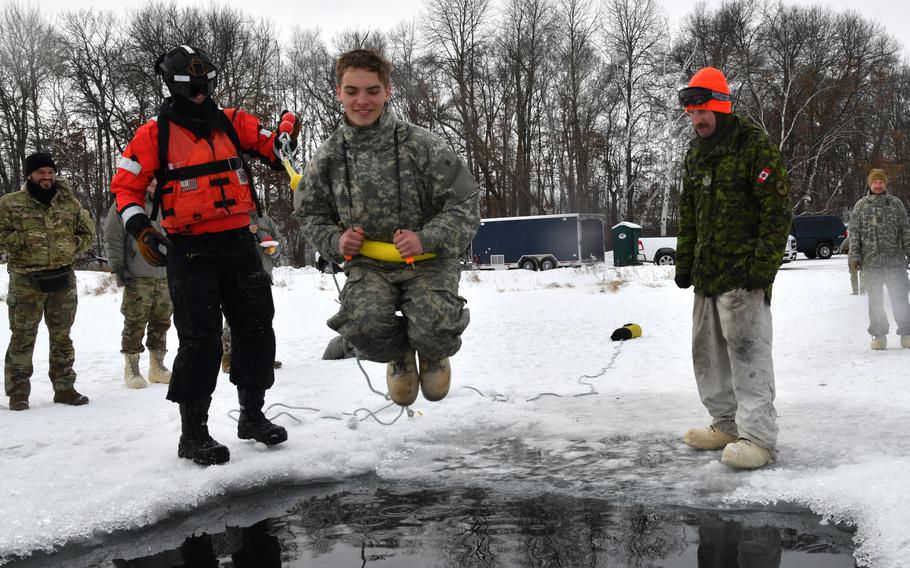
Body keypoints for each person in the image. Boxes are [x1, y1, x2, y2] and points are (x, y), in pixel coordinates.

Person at [110, 45, 298, 465]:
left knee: (256, 329)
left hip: (238, 241)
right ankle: (193, 434)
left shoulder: (233, 122)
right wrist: (141, 228)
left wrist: (286, 131)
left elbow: (273, 149)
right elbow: (125, 189)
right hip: (189, 249)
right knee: (200, 339)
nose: (199, 95)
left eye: (204, 87)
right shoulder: (151, 135)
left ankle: (252, 415)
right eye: (190, 88)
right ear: (173, 87)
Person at [295, 48, 480, 406]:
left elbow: (466, 203)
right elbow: (308, 213)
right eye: (352, 91)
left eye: (372, 90)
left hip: (428, 261)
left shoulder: (423, 145)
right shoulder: (327, 157)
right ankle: (400, 356)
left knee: (435, 325)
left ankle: (432, 351)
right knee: (362, 325)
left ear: (387, 90)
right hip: (370, 265)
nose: (362, 101)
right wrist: (335, 240)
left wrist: (426, 237)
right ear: (339, 93)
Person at [674, 67, 792, 469]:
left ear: (721, 107)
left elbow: (777, 211)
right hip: (707, 278)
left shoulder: (753, 148)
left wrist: (762, 270)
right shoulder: (694, 155)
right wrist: (685, 261)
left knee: (748, 356)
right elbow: (688, 213)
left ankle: (758, 439)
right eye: (691, 113)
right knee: (706, 355)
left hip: (743, 279)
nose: (697, 120)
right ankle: (724, 424)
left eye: (702, 111)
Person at [0, 152, 95, 410]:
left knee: (62, 336)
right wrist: (22, 242)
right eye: (41, 172)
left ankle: (64, 387)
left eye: (51, 172)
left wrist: (71, 246)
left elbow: (88, 232)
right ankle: (18, 392)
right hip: (26, 281)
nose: (47, 177)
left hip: (62, 279)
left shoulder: (69, 203)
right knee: (22, 337)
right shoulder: (10, 203)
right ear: (30, 175)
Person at [104, 179, 173, 389]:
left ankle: (157, 366)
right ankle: (132, 368)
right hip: (137, 275)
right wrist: (118, 267)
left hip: (165, 274)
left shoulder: (169, 202)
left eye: (156, 177)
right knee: (135, 321)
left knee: (162, 321)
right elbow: (113, 238)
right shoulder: (125, 205)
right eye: (149, 178)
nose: (153, 182)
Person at [847, 168, 910, 350]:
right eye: (875, 182)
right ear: (870, 184)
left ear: (885, 184)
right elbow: (854, 234)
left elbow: (906, 231)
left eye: (881, 182)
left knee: (900, 298)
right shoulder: (861, 206)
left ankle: (906, 333)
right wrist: (855, 256)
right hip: (871, 264)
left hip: (895, 263)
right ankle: (879, 335)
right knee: (875, 301)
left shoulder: (896, 204)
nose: (878, 185)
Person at [222, 210, 283, 372]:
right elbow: (225, 244)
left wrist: (273, 249)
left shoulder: (267, 219)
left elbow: (279, 242)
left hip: (263, 275)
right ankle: (229, 357)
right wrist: (245, 234)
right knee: (234, 316)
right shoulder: (233, 216)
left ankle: (264, 357)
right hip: (239, 275)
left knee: (263, 317)